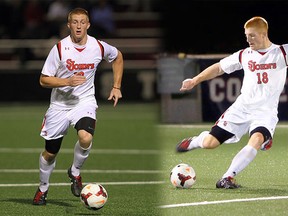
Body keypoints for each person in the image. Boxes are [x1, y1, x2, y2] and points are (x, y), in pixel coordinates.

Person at [176, 16, 288, 189]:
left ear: (264, 34)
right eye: (246, 36)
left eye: (252, 35)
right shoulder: (244, 54)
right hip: (241, 109)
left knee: (256, 139)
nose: (248, 39)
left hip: (265, 113)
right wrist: (195, 80)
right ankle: (195, 141)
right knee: (210, 143)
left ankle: (227, 177)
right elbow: (219, 68)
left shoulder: (281, 53)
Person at [32, 7, 124, 205]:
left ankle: (75, 172)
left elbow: (117, 57)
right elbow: (43, 80)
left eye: (83, 22)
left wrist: (116, 86)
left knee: (85, 136)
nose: (79, 26)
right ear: (69, 25)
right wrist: (66, 81)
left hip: (84, 102)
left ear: (88, 25)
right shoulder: (59, 48)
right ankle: (43, 188)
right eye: (75, 22)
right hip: (59, 106)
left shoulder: (98, 46)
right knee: (50, 153)